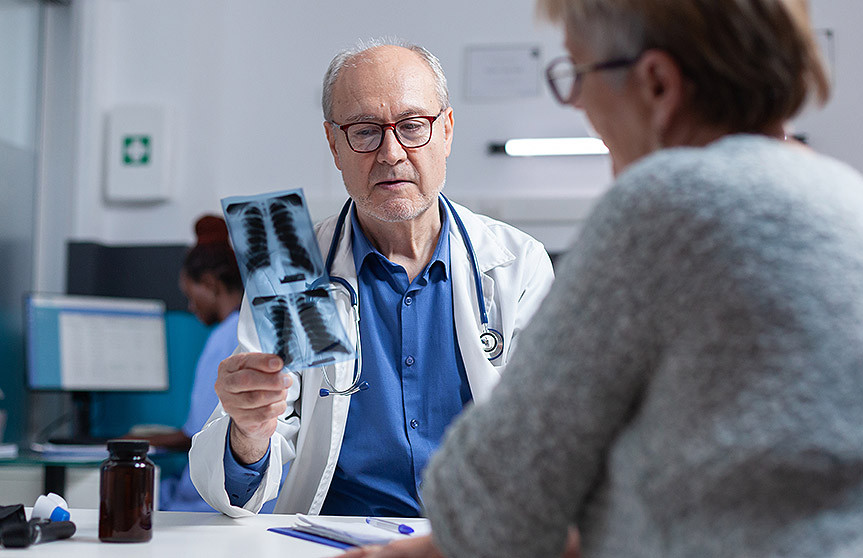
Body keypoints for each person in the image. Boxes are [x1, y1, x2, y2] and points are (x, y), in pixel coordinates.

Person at [346, 1, 863, 557]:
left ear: (656, 83)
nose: (577, 103)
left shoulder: (664, 208)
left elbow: (493, 508)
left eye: (580, 73)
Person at [189, 40, 555, 517]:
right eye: (364, 131)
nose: (390, 153)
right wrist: (249, 430)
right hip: (334, 545)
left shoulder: (516, 264)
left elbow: (552, 438)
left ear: (446, 130)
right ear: (334, 144)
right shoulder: (295, 269)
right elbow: (238, 487)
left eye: (412, 126)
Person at [142, 215, 244, 511]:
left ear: (210, 284)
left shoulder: (224, 337)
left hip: (210, 499)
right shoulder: (251, 328)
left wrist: (128, 440)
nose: (190, 307)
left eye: (190, 295)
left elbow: (196, 435)